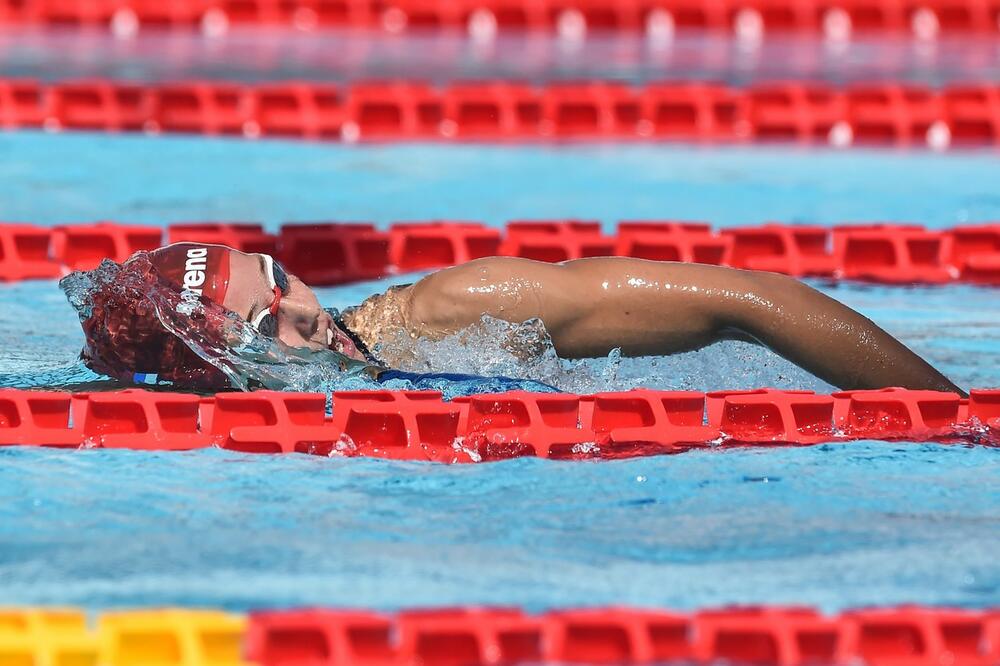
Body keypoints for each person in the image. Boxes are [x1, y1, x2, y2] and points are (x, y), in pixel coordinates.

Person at [64, 242, 965, 396]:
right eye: (264, 333)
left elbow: (752, 302)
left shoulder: (454, 314)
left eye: (282, 279)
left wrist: (956, 420)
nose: (306, 315)